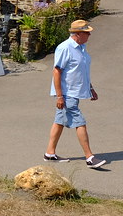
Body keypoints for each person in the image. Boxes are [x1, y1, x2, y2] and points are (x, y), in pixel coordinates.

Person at [44, 19, 107, 169]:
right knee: (80, 122)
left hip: (75, 92)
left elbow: (82, 72)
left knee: (59, 122)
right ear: (77, 34)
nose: (89, 35)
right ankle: (89, 157)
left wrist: (90, 88)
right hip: (67, 94)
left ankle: (49, 153)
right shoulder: (65, 48)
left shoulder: (81, 48)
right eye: (86, 33)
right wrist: (60, 96)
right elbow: (57, 71)